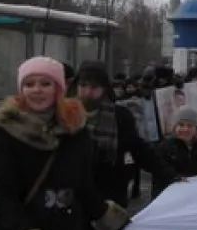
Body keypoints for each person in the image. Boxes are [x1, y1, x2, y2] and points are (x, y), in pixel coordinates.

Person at [0, 57, 127, 230]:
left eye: (45, 84)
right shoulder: (4, 132)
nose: (37, 90)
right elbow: (3, 196)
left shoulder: (76, 130)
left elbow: (84, 186)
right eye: (29, 84)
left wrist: (111, 221)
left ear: (59, 88)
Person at [73, 62, 176, 208]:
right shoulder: (66, 116)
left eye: (94, 87)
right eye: (83, 86)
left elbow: (139, 149)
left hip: (110, 197)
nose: (88, 92)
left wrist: (170, 176)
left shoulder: (120, 116)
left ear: (103, 89)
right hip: (75, 199)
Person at [155, 107, 197, 196]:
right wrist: (176, 177)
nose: (185, 129)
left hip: (194, 192)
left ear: (196, 128)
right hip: (170, 194)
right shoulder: (165, 147)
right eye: (181, 125)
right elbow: (161, 171)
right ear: (175, 127)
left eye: (189, 126)